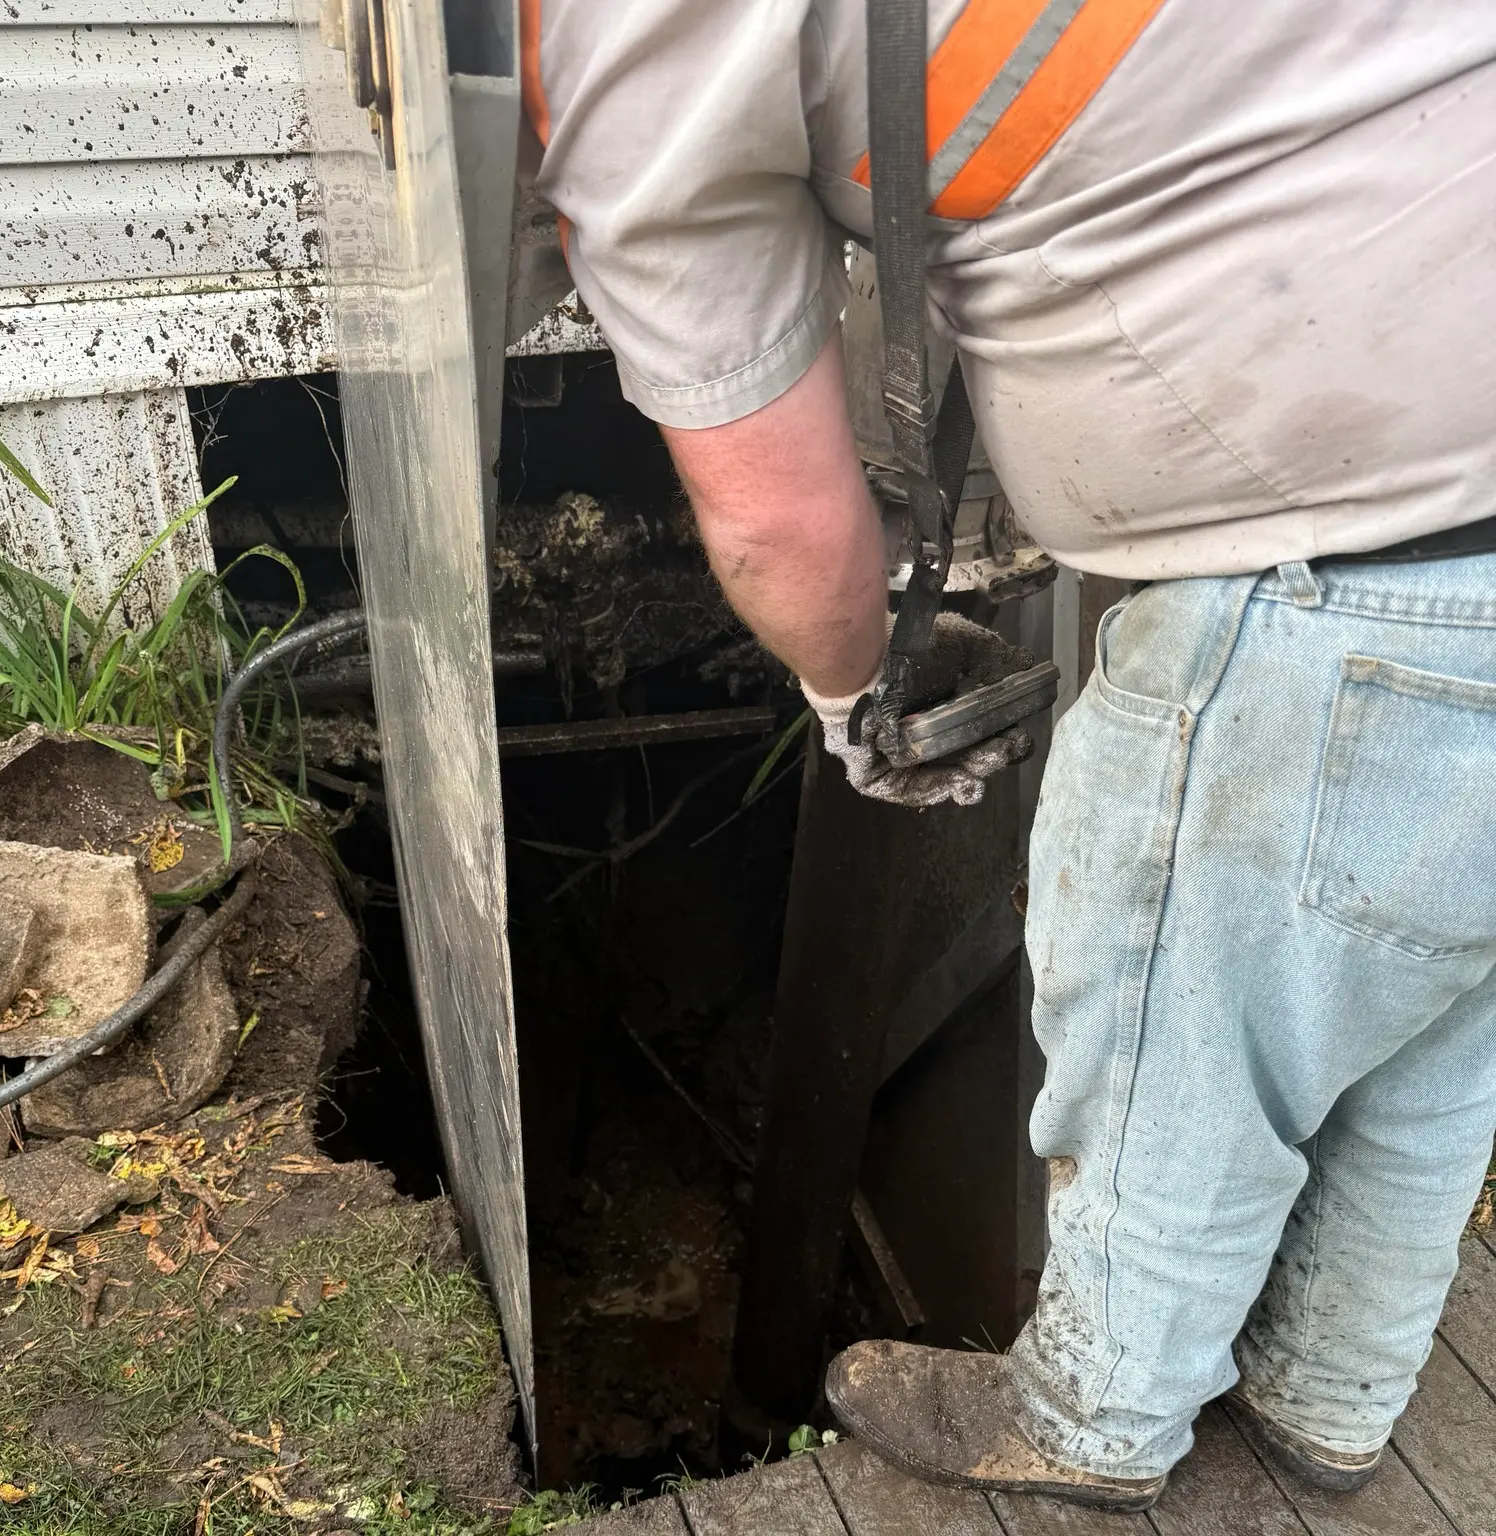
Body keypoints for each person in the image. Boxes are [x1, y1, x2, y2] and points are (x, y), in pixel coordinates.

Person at [519, 0, 1496, 1511]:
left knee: (1179, 1046)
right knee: (1436, 1046)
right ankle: (1333, 1399)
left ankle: (1092, 1421)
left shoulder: (624, 33)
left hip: (1330, 595)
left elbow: (780, 522)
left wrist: (858, 698)